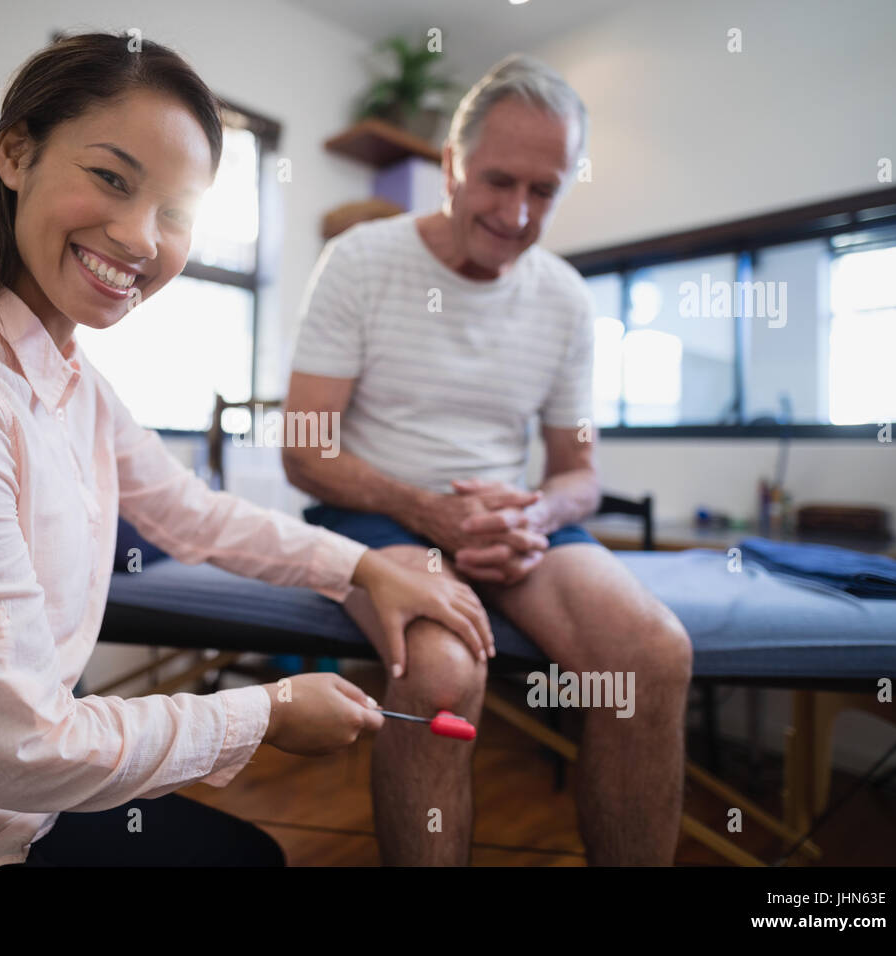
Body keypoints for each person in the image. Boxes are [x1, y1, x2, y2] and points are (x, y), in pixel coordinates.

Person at [0, 33, 493, 867]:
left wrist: (365, 569)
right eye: (111, 178)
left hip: (1, 820)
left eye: (176, 214)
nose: (143, 238)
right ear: (15, 152)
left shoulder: (69, 377)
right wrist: (271, 710)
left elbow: (194, 514)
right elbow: (26, 748)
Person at [284, 54, 694, 866]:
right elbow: (306, 450)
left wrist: (538, 510)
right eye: (497, 181)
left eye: (543, 191)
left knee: (653, 656)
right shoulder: (361, 260)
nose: (515, 213)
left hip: (515, 521)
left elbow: (580, 473)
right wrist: (431, 511)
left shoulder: (566, 298)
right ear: (451, 166)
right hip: (379, 513)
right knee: (441, 678)